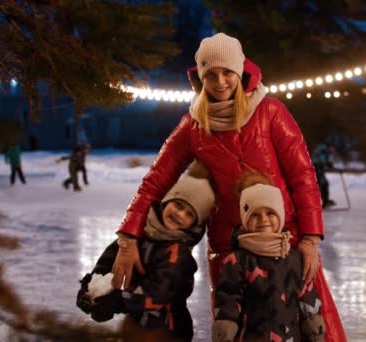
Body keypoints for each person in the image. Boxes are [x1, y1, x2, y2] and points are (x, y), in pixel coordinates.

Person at [111, 32, 346, 341]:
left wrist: (311, 239)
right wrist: (128, 240)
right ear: (200, 78)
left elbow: (303, 175)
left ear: (241, 71)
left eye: (227, 72)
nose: (220, 81)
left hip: (285, 239)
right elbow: (155, 181)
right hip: (230, 247)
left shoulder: (271, 113)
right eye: (211, 74)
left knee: (309, 325)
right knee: (235, 328)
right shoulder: (193, 127)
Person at [76, 169, 215, 342]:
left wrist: (116, 301)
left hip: (166, 331)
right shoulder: (137, 236)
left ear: (194, 224)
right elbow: (108, 263)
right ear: (166, 202)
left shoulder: (179, 255)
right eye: (178, 205)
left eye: (190, 215)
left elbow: (156, 294)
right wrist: (92, 289)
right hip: (135, 324)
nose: (180, 214)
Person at [212, 173, 325, 342]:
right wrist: (225, 328)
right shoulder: (238, 261)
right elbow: (228, 298)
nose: (263, 220)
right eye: (255, 214)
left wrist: (314, 327)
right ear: (244, 220)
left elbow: (307, 296)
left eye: (270, 213)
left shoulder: (294, 258)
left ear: (280, 215)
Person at [312, 143, 336, 208]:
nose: (333, 150)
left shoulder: (323, 150)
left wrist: (328, 163)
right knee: (321, 184)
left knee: (324, 183)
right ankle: (319, 201)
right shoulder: (323, 150)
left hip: (318, 169)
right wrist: (328, 163)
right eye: (332, 148)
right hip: (316, 169)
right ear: (330, 147)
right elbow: (320, 160)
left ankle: (325, 201)